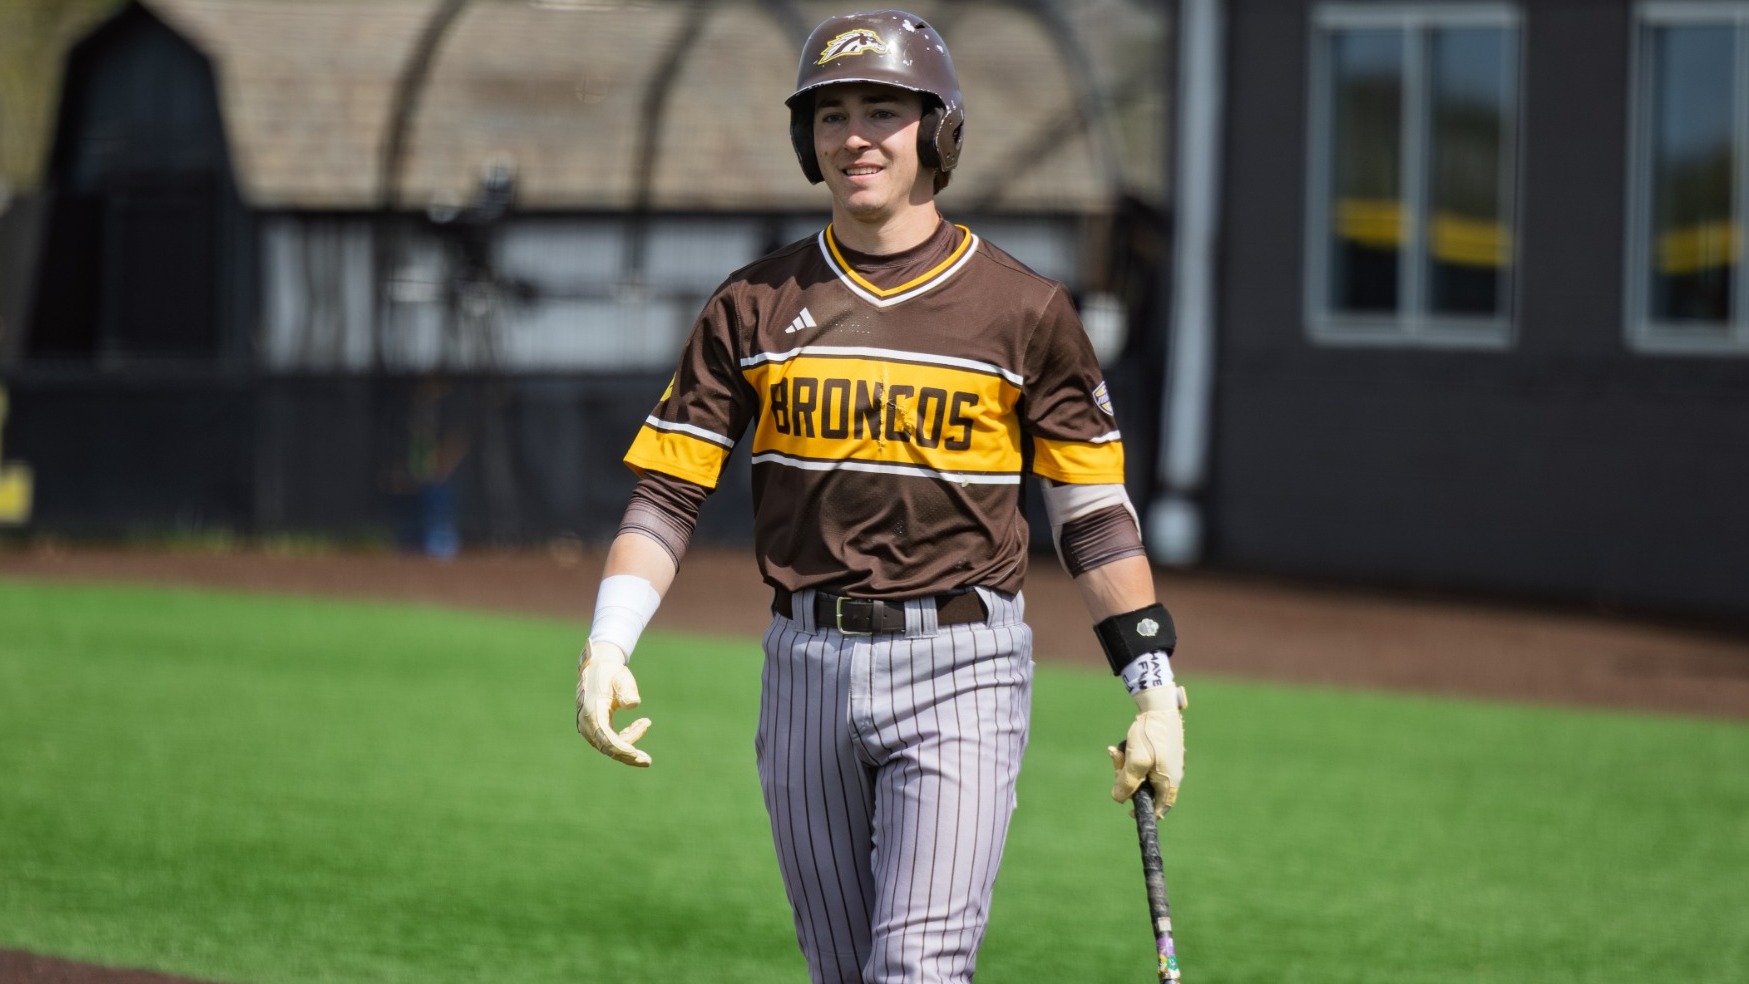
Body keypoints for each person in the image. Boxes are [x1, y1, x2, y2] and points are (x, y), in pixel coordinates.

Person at [575, 10, 1186, 983]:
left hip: (963, 664)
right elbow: (666, 497)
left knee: (916, 969)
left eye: (883, 111)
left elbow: (1094, 519)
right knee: (843, 972)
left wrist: (1153, 692)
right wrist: (609, 643)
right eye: (830, 115)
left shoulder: (1026, 312)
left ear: (939, 132)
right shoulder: (753, 306)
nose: (854, 136)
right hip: (804, 664)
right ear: (804, 139)